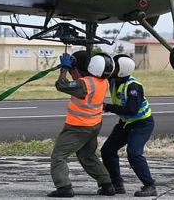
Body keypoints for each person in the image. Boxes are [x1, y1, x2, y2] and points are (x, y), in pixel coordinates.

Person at [48, 51, 116, 197]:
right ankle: (106, 184)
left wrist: (64, 69)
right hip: (94, 125)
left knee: (58, 156)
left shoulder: (85, 84)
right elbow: (81, 84)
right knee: (87, 155)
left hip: (78, 127)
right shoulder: (102, 82)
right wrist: (73, 69)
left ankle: (64, 187)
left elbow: (61, 85)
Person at [100, 55, 157, 197]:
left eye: (115, 67)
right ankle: (117, 184)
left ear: (122, 70)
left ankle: (150, 185)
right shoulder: (114, 80)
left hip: (141, 124)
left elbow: (132, 110)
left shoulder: (133, 87)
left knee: (134, 153)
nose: (111, 69)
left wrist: (107, 107)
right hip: (126, 123)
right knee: (107, 150)